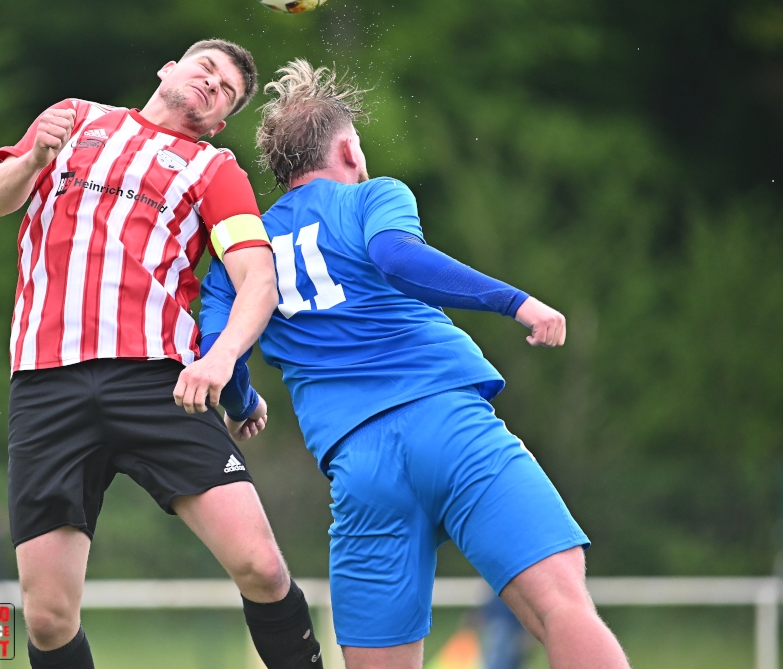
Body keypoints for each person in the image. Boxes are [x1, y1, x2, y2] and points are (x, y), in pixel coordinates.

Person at [199, 60, 631, 669]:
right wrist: (516, 302)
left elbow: (220, 350)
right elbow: (397, 258)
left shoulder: (242, 250)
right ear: (348, 149)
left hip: (359, 468)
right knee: (560, 606)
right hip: (447, 424)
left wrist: (243, 404)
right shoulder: (373, 196)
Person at [0, 39, 324, 669]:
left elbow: (258, 280)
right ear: (170, 69)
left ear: (219, 122)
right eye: (206, 69)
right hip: (45, 385)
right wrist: (32, 160)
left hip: (158, 383)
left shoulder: (213, 168)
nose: (212, 84)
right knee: (48, 619)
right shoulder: (76, 117)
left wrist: (220, 360)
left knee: (262, 566)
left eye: (226, 92)